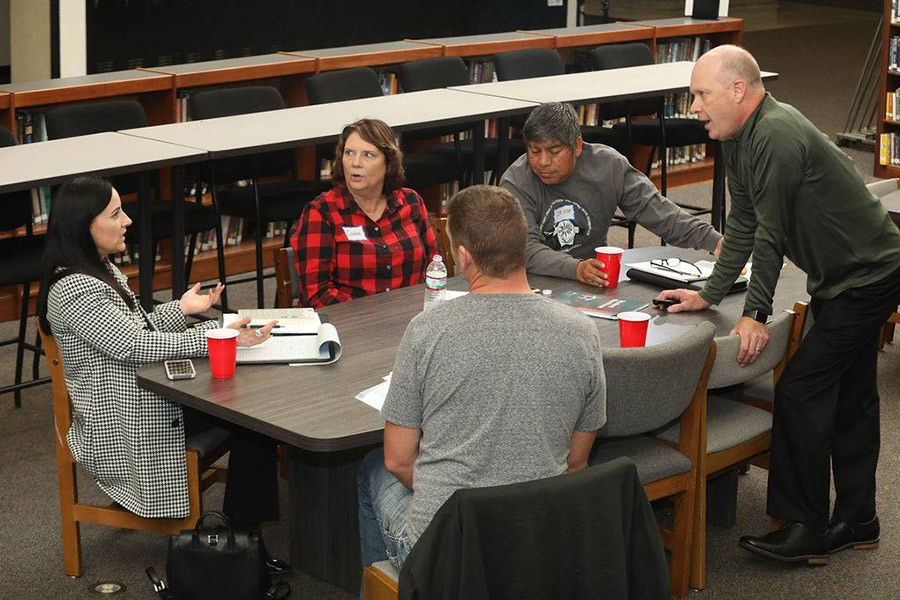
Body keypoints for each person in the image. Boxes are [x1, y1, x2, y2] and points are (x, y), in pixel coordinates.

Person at [657, 45, 900, 564]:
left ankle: (805, 525)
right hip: (843, 277)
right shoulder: (737, 137)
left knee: (802, 388)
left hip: (870, 276)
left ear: (738, 90)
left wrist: (756, 312)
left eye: (701, 95)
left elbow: (771, 235)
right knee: (852, 394)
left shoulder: (777, 135)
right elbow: (742, 225)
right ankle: (860, 519)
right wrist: (711, 293)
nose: (693, 107)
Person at [356, 184, 606, 572]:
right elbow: (575, 462)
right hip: (537, 540)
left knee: (371, 469)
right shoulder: (582, 331)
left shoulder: (427, 330)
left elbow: (399, 460)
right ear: (523, 247)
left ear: (463, 256)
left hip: (448, 552)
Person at [36, 176, 283, 539]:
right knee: (254, 421)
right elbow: (133, 345)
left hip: (139, 393)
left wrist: (181, 309)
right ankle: (242, 540)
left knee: (251, 409)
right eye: (116, 214)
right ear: (84, 225)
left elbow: (134, 328)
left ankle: (243, 533)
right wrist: (216, 336)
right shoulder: (76, 287)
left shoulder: (97, 267)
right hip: (125, 417)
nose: (128, 221)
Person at [499, 101, 723, 287]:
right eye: (534, 151)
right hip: (533, 282)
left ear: (577, 146)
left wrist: (714, 241)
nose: (543, 162)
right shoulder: (516, 181)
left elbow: (657, 211)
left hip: (594, 275)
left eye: (554, 151)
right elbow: (524, 249)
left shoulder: (608, 165)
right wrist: (575, 268)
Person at [289, 118, 440, 308]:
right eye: (349, 153)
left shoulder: (411, 202)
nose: (355, 163)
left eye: (368, 155)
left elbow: (434, 268)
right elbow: (317, 294)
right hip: (350, 326)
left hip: (411, 319)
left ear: (388, 163)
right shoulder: (322, 212)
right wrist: (374, 316)